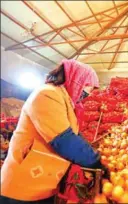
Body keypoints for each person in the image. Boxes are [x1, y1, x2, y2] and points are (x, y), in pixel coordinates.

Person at [0, 59, 105, 203]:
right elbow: (64, 140)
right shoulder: (47, 94)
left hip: (42, 183)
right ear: (76, 80)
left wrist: (94, 153)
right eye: (88, 86)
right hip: (22, 186)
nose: (89, 93)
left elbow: (74, 135)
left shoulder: (64, 100)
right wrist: (97, 161)